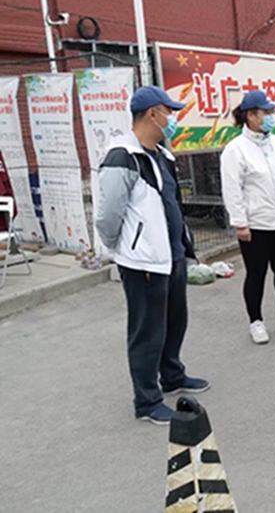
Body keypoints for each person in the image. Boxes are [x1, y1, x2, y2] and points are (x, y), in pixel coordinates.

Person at [96, 86, 209, 425]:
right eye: (168, 112)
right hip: (142, 260)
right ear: (152, 114)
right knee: (147, 332)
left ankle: (172, 375)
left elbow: (171, 204)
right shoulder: (123, 156)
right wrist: (125, 249)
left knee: (175, 322)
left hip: (171, 255)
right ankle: (146, 401)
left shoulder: (163, 155)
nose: (172, 118)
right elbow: (108, 215)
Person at [220, 90, 275, 345]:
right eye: (266, 112)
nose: (271, 117)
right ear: (251, 115)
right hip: (256, 225)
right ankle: (256, 321)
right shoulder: (236, 150)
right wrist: (240, 223)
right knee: (256, 273)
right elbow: (232, 189)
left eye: (272, 112)